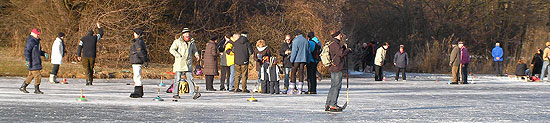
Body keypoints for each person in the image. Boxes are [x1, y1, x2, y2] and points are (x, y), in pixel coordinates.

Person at [169, 28, 201, 100]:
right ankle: (175, 94)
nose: (187, 34)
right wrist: (178, 55)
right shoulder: (177, 42)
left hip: (188, 64)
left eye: (188, 33)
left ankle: (194, 93)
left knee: (190, 79)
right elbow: (172, 49)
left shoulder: (192, 42)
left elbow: (195, 50)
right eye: (186, 33)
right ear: (183, 34)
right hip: (179, 64)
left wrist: (197, 55)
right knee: (177, 79)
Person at [325, 30, 350, 112]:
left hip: (334, 66)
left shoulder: (332, 43)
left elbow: (338, 52)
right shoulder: (335, 44)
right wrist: (348, 50)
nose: (341, 36)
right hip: (337, 67)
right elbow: (341, 54)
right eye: (340, 35)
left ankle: (329, 103)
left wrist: (343, 47)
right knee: (336, 86)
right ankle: (332, 104)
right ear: (336, 35)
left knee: (333, 86)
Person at [20, 28, 48, 94]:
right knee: (38, 75)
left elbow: (38, 51)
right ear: (33, 34)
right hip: (33, 61)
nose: (38, 36)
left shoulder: (37, 41)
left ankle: (23, 87)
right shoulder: (31, 41)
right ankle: (36, 89)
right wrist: (28, 60)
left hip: (36, 60)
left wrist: (43, 53)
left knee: (31, 75)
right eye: (37, 34)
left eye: (39, 34)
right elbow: (27, 51)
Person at [129, 29, 149, 98]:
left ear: (138, 34)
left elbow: (140, 52)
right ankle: (137, 91)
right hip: (136, 61)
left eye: (135, 33)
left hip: (137, 61)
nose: (133, 35)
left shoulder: (138, 42)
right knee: (136, 76)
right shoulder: (138, 41)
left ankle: (138, 92)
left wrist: (144, 60)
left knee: (137, 76)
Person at [289, 30, 310, 95]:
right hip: (303, 59)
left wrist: (291, 60)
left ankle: (292, 89)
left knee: (293, 73)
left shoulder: (295, 40)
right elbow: (308, 51)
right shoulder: (305, 40)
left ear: (296, 35)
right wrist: (308, 60)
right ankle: (300, 89)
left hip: (296, 60)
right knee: (301, 73)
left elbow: (294, 51)